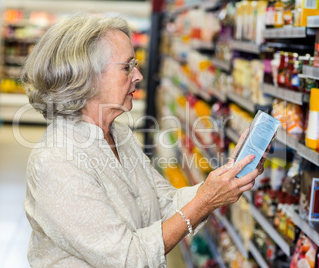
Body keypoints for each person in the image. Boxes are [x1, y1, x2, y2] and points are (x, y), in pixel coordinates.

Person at [21, 14, 266, 267]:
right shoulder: (57, 160)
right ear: (87, 77)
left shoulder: (120, 135)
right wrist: (206, 201)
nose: (138, 75)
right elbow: (128, 258)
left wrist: (229, 175)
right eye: (127, 66)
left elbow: (165, 204)